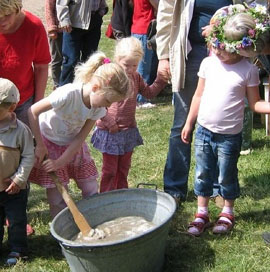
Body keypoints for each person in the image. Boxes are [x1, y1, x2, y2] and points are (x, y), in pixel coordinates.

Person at [155, 0, 257, 204]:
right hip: (191, 54)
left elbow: (251, 11)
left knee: (222, 123)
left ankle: (218, 188)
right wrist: (164, 56)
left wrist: (220, 29)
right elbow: (166, 14)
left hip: (229, 54)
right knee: (182, 124)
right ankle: (175, 187)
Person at [180, 4, 270, 236]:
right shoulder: (208, 63)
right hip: (203, 131)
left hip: (230, 136)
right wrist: (189, 122)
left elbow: (255, 103)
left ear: (242, 49)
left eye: (224, 48)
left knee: (226, 174)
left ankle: (227, 212)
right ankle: (202, 212)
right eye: (215, 45)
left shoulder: (248, 70)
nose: (217, 51)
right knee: (202, 172)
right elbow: (198, 95)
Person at [28, 52, 129, 218]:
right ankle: (62, 230)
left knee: (90, 187)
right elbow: (32, 112)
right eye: (108, 101)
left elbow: (80, 138)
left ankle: (93, 220)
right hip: (49, 143)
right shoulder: (67, 94)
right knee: (57, 197)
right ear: (96, 88)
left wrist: (61, 161)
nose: (109, 106)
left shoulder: (98, 108)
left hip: (73, 147)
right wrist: (39, 145)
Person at [0, 0, 51, 236]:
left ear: (16, 9)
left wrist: (36, 107)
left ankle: (15, 214)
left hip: (23, 101)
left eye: (5, 17)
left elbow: (41, 66)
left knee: (20, 157)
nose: (1, 23)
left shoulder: (33, 25)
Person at [91, 37, 167, 192]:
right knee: (110, 170)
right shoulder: (110, 76)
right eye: (127, 65)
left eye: (135, 65)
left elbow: (148, 93)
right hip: (110, 131)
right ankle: (106, 195)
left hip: (127, 131)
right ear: (117, 59)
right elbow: (97, 103)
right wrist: (108, 122)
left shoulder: (135, 77)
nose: (130, 69)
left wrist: (160, 80)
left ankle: (122, 193)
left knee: (123, 168)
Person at [0, 78, 35, 265]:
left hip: (14, 189)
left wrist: (19, 179)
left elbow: (29, 156)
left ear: (11, 108)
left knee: (17, 221)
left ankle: (18, 250)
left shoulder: (21, 131)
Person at [56, 0, 108, 85]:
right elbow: (61, 3)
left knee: (90, 60)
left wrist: (102, 10)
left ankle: (85, 90)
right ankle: (64, 90)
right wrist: (64, 20)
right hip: (73, 24)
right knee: (71, 60)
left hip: (94, 21)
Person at [131, 0, 159, 108]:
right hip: (145, 29)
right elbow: (158, 5)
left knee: (139, 65)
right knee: (143, 67)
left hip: (138, 27)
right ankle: (140, 99)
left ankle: (139, 97)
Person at [45, 0, 63, 89]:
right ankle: (57, 85)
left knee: (70, 59)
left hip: (71, 30)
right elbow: (49, 8)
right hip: (57, 31)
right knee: (57, 59)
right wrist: (52, 28)